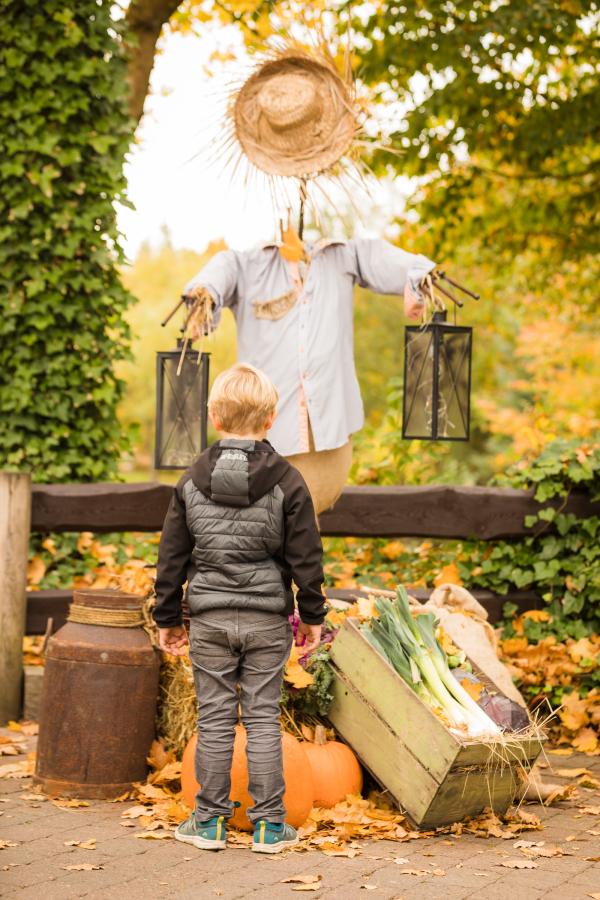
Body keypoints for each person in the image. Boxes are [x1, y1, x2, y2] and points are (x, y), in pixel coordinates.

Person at [153, 362, 326, 854]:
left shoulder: (191, 480)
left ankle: (208, 822)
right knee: (263, 718)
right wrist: (311, 616)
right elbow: (305, 556)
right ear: (271, 419)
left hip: (208, 619)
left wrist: (168, 617)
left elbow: (172, 555)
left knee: (213, 719)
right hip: (267, 620)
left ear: (213, 416)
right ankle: (271, 825)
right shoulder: (288, 481)